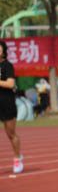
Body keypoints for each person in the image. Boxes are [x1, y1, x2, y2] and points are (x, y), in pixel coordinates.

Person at [0, 41, 22, 173]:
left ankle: (17, 157)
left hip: (6, 103)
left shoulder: (7, 66)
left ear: (4, 51)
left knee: (11, 133)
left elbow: (10, 84)